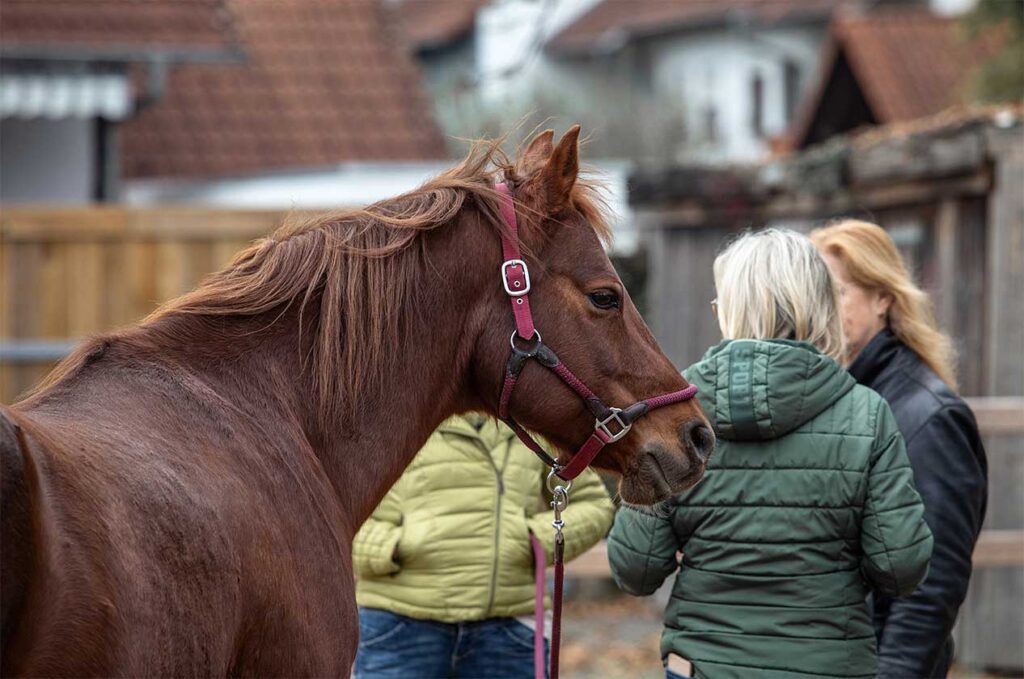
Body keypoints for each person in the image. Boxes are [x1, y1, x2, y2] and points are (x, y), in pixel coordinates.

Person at [607, 228, 934, 679]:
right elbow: (902, 567)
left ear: (731, 310)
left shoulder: (675, 416)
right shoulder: (866, 414)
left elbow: (634, 568)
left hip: (704, 668)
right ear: (821, 306)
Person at [811, 219, 988, 678]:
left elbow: (931, 589)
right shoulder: (834, 398)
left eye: (839, 291)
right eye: (818, 294)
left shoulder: (928, 414)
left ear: (884, 298)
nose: (824, 308)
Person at [352, 413, 614, 679]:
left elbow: (594, 504)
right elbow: (332, 513)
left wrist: (532, 538)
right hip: (399, 625)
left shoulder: (534, 427)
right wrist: (395, 546)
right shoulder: (389, 421)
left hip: (508, 629)